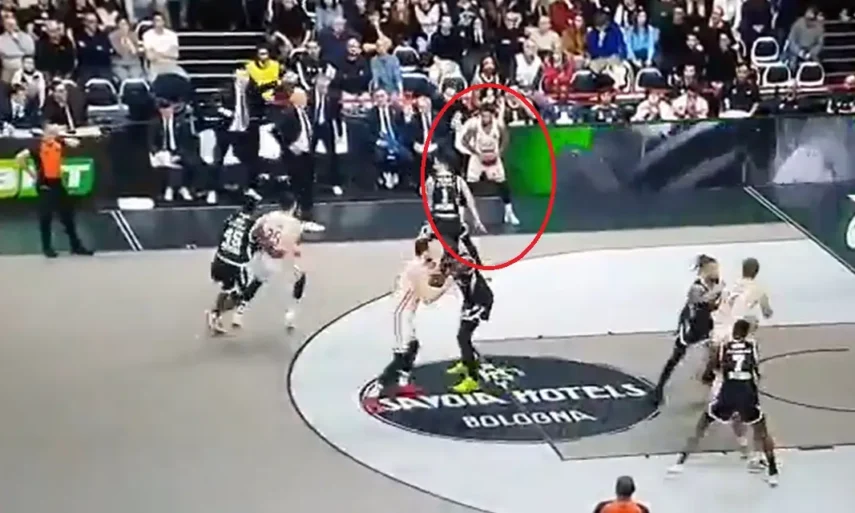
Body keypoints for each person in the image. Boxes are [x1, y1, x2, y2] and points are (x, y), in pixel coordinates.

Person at [668, 319, 780, 488]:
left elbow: (710, 371)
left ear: (733, 331)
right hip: (747, 394)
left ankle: (680, 462)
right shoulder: (752, 347)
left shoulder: (723, 347)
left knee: (702, 426)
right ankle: (773, 472)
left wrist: (709, 374)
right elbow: (758, 372)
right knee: (762, 432)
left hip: (728, 392)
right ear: (746, 333)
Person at [369, 238, 452, 400]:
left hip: (406, 311)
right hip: (400, 314)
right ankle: (378, 388)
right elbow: (427, 297)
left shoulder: (420, 265)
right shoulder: (417, 269)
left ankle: (403, 383)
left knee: (413, 345)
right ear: (425, 251)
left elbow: (434, 276)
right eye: (434, 248)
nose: (438, 251)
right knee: (401, 354)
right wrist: (447, 284)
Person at [650, 254, 723, 406]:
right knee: (677, 356)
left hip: (706, 322)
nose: (716, 272)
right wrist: (716, 291)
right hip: (691, 324)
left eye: (717, 268)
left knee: (714, 352)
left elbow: (712, 305)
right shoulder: (696, 287)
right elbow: (700, 301)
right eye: (713, 269)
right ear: (704, 270)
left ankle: (709, 377)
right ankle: (659, 388)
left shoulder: (715, 284)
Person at [15, 122, 93, 258]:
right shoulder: (37, 146)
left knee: (67, 215)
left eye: (55, 133)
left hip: (57, 183)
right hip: (44, 184)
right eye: (51, 132)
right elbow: (19, 158)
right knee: (46, 217)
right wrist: (32, 174)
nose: (53, 135)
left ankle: (76, 246)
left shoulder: (59, 143)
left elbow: (75, 144)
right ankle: (47, 248)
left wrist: (64, 137)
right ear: (45, 133)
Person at [236, 193, 306, 329]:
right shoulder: (295, 224)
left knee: (257, 281)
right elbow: (290, 244)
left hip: (264, 257)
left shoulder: (268, 216)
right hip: (281, 259)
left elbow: (253, 234)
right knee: (300, 277)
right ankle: (291, 313)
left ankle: (239, 311)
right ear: (294, 206)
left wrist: (263, 245)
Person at [206, 188, 263, 335]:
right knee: (242, 296)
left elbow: (222, 233)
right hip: (236, 264)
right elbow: (257, 243)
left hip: (220, 257)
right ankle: (215, 313)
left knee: (227, 287)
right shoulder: (253, 224)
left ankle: (215, 316)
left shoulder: (232, 217)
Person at [458, 103, 520, 226]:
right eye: (483, 116)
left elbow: (506, 138)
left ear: (492, 116)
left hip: (494, 158)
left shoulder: (498, 125)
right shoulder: (475, 125)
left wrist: (499, 153)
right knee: (469, 186)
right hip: (478, 158)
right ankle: (461, 215)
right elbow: (464, 140)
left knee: (503, 184)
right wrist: (476, 152)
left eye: (487, 116)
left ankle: (509, 213)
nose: (485, 119)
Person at [444, 250, 494, 393]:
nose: (454, 271)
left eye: (458, 267)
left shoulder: (477, 285)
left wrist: (476, 313)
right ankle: (466, 362)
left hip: (479, 305)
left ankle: (472, 379)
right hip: (469, 303)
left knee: (463, 338)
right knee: (462, 337)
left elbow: (486, 300)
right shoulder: (462, 273)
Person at [419, 158, 486, 264]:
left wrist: (429, 221)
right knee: (464, 241)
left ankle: (427, 263)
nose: (433, 166)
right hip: (453, 219)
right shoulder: (458, 180)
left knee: (423, 241)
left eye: (436, 163)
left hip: (439, 219)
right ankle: (478, 265)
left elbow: (429, 202)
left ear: (443, 165)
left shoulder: (431, 180)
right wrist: (477, 219)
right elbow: (470, 200)